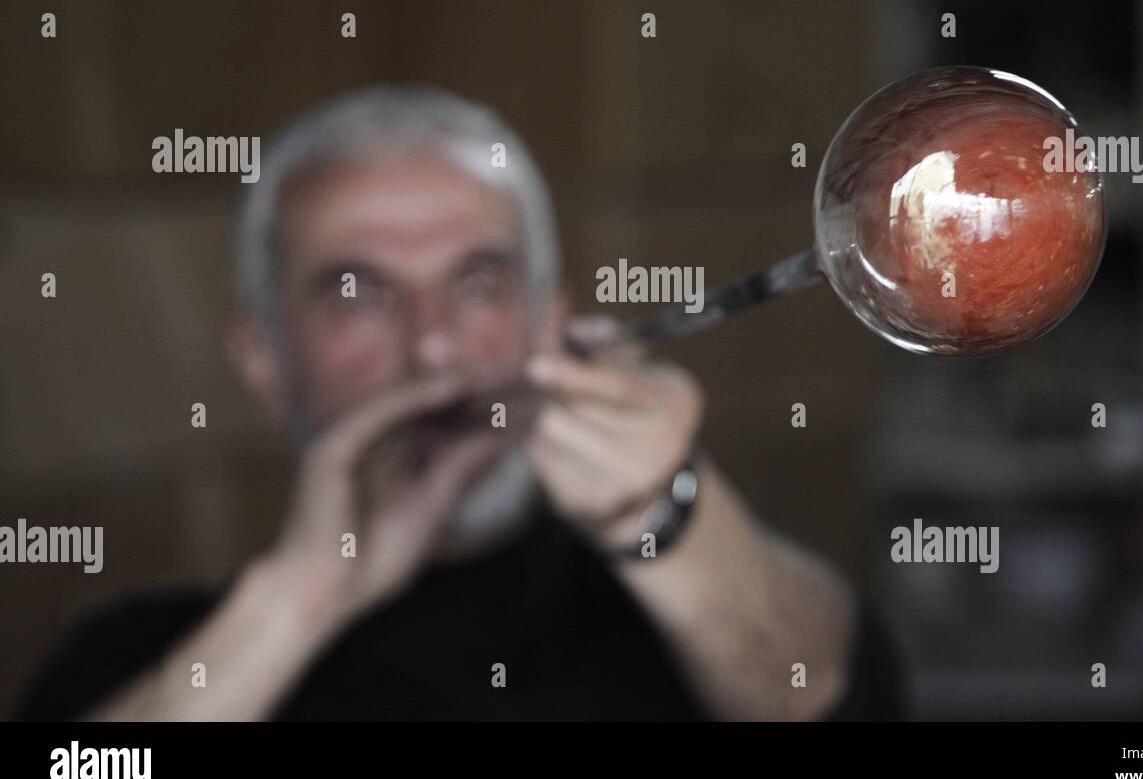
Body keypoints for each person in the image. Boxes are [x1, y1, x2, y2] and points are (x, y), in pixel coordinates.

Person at [16, 88, 904, 721]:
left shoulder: (660, 621)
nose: (433, 345)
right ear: (264, 358)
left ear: (550, 323)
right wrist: (299, 600)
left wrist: (661, 512)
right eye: (357, 291)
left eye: (478, 282)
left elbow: (835, 693)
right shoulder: (136, 654)